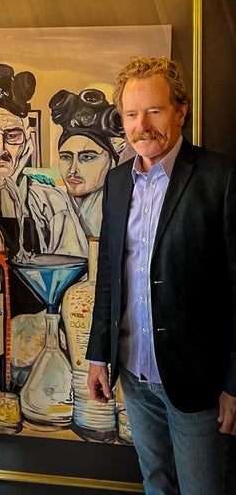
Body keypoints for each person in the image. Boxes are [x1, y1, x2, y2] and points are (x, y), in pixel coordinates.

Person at [86, 56, 236, 494]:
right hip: (133, 376)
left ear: (180, 111)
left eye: (154, 111)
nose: (142, 126)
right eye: (131, 114)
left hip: (198, 385)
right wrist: (98, 355)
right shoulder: (117, 182)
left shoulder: (221, 178)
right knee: (155, 484)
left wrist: (234, 384)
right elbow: (108, 275)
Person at [0, 62, 87, 259]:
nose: (1, 149)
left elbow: (72, 268)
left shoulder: (51, 201)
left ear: (27, 140)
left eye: (13, 136)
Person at [49, 87, 124, 238]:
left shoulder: (123, 210)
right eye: (66, 157)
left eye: (87, 157)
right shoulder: (52, 205)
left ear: (112, 161)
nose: (72, 170)